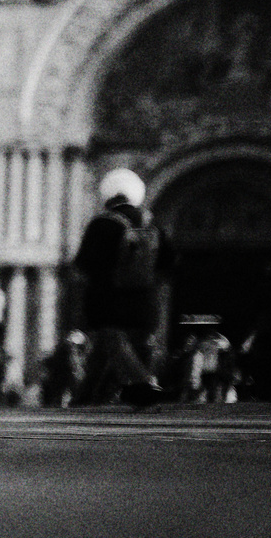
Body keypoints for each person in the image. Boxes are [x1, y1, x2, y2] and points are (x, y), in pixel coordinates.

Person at [71, 167, 174, 409]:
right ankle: (86, 397)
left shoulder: (102, 223)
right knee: (108, 347)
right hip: (144, 300)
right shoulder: (151, 224)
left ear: (108, 196)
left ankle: (144, 383)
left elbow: (83, 263)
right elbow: (169, 262)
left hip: (108, 299)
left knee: (111, 339)